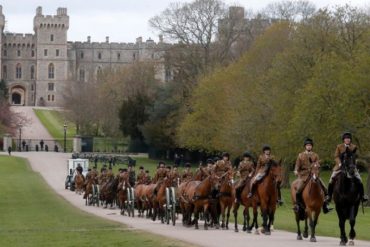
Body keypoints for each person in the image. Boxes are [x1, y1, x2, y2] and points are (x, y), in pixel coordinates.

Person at [326, 132, 368, 203]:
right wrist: (339, 164)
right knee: (331, 179)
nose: (347, 140)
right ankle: (329, 196)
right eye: (346, 139)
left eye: (348, 139)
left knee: (359, 179)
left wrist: (354, 163)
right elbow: (336, 156)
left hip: (351, 167)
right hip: (340, 167)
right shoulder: (339, 147)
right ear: (343, 140)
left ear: (350, 140)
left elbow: (356, 156)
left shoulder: (354, 147)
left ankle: (362, 196)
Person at [294, 138, 331, 214]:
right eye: (307, 145)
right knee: (298, 190)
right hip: (304, 175)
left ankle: (325, 205)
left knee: (324, 188)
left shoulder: (315, 155)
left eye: (310, 145)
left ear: (312, 146)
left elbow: (317, 165)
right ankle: (298, 205)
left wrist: (316, 170)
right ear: (305, 146)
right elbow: (297, 165)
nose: (309, 147)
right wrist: (296, 170)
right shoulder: (300, 155)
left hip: (314, 174)